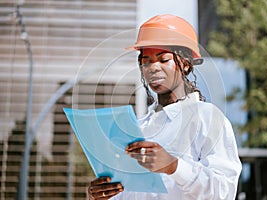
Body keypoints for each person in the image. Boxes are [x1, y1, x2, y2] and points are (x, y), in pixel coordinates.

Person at [88, 14, 242, 200]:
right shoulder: (139, 127)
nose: (153, 67)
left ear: (185, 64)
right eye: (146, 61)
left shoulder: (207, 118)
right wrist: (104, 196)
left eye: (163, 60)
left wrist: (174, 167)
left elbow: (224, 192)